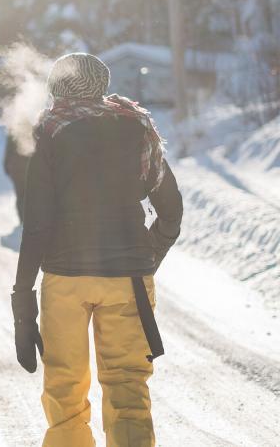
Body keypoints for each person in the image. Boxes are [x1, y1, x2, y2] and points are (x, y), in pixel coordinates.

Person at [11, 53, 183, 447]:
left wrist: (22, 298)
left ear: (58, 89)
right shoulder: (138, 127)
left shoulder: (51, 132)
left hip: (65, 280)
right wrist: (147, 257)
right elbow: (171, 210)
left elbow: (37, 225)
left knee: (65, 388)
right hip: (128, 280)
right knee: (127, 386)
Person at [3, 134, 29, 223]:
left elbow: (8, 149)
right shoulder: (32, 126)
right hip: (26, 167)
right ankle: (26, 219)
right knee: (27, 194)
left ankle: (23, 219)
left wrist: (6, 165)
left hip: (16, 168)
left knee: (21, 195)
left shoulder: (13, 128)